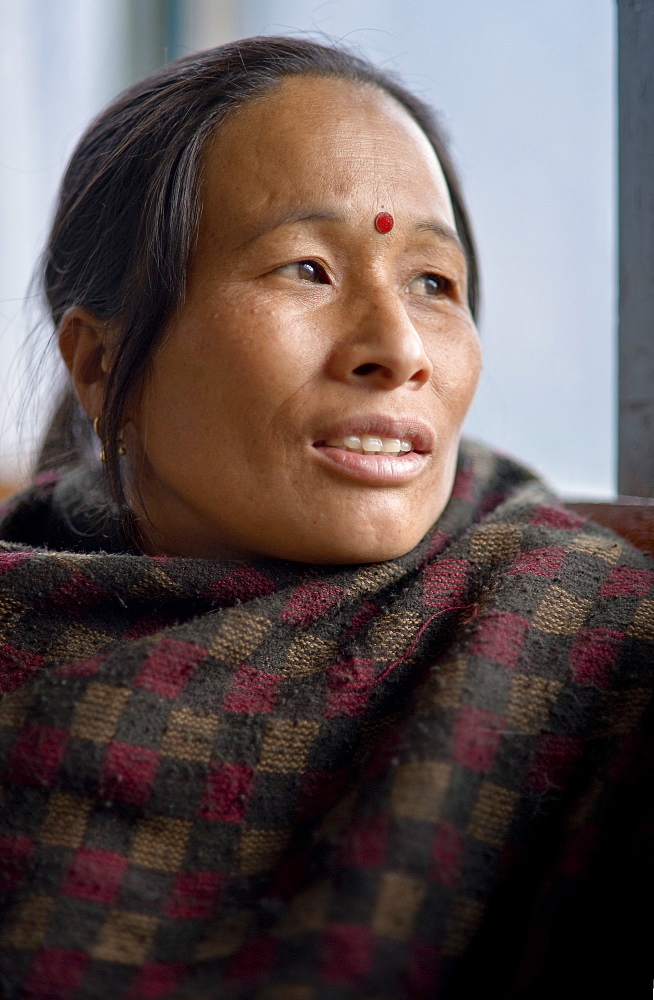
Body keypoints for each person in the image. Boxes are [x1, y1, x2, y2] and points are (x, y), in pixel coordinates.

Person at [0, 36, 651, 1000]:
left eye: (434, 283)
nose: (398, 349)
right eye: (307, 269)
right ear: (102, 366)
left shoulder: (584, 629)